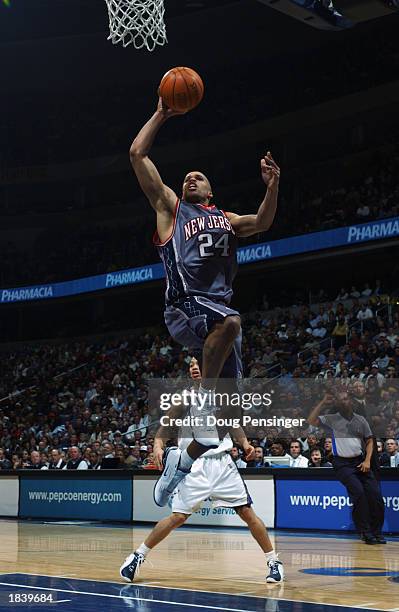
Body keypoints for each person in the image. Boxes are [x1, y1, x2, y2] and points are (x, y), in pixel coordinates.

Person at [130, 97, 280, 505]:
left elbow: (264, 222)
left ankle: (179, 464)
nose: (191, 179)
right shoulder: (170, 208)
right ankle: (201, 399)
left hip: (214, 312)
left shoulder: (228, 219)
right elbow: (137, 153)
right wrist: (161, 114)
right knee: (231, 324)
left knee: (229, 406)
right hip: (185, 303)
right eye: (187, 177)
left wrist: (272, 187)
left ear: (212, 190)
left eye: (198, 177)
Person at [120, 358, 284, 584]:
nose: (195, 368)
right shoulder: (184, 397)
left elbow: (233, 424)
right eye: (191, 365)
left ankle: (274, 561)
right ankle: (137, 557)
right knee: (177, 517)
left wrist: (245, 444)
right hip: (193, 464)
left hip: (222, 464)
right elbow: (166, 425)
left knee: (246, 512)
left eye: (199, 364)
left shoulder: (223, 396)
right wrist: (158, 445)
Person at [308, 391, 385, 544]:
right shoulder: (332, 419)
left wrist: (368, 461)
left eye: (345, 398)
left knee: (376, 496)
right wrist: (323, 402)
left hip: (360, 461)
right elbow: (310, 420)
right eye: (340, 399)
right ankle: (365, 532)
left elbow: (369, 441)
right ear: (337, 403)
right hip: (342, 464)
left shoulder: (360, 420)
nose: (344, 401)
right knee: (359, 493)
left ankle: (376, 532)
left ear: (351, 401)